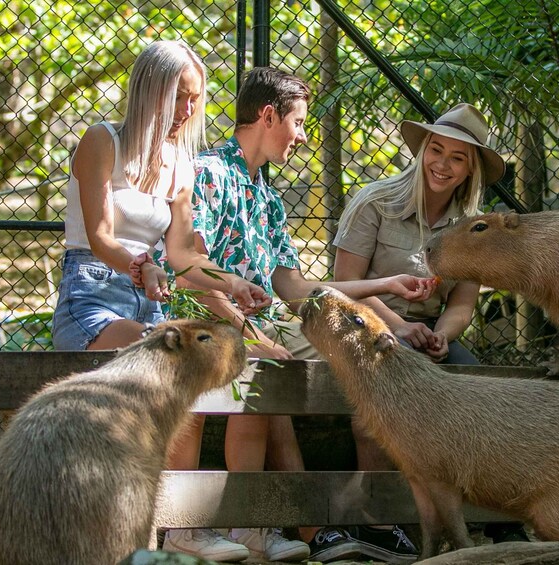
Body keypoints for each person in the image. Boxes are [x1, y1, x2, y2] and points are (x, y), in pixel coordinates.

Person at [159, 66, 437, 564]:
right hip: (212, 317)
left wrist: (382, 286)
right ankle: (269, 524)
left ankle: (372, 519)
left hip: (266, 322)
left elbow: (293, 287)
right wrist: (252, 334)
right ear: (268, 115)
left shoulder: (267, 197)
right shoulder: (207, 174)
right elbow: (189, 277)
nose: (304, 136)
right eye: (299, 122)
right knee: (264, 366)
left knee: (368, 354)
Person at [332, 103, 529, 547]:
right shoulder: (376, 201)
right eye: (435, 150)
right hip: (367, 323)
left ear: (469, 170)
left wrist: (444, 335)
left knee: (478, 382)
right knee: (380, 397)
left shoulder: (470, 227)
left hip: (427, 334)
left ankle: (499, 518)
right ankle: (377, 519)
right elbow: (345, 286)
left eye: (457, 158)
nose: (442, 164)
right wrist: (398, 325)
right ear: (421, 152)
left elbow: (462, 303)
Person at [52, 40, 271, 357]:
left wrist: (233, 283)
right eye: (177, 97)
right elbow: (100, 237)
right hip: (92, 298)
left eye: (194, 99)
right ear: (148, 92)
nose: (186, 111)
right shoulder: (102, 140)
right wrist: (140, 267)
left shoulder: (181, 163)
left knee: (196, 360)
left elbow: (184, 257)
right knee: (171, 354)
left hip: (150, 305)